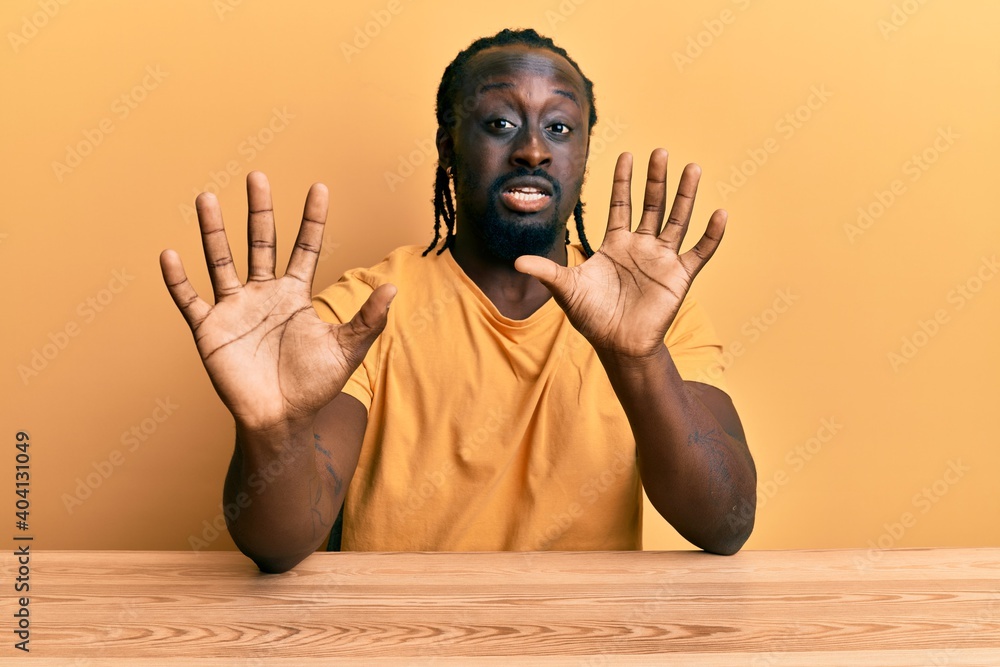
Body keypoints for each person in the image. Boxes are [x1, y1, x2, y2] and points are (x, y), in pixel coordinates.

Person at [160, 28, 756, 574]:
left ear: (583, 156)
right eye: (500, 124)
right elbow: (279, 542)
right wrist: (272, 430)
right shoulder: (367, 309)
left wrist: (636, 359)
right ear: (448, 145)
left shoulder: (652, 316)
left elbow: (726, 524)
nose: (532, 151)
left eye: (559, 127)